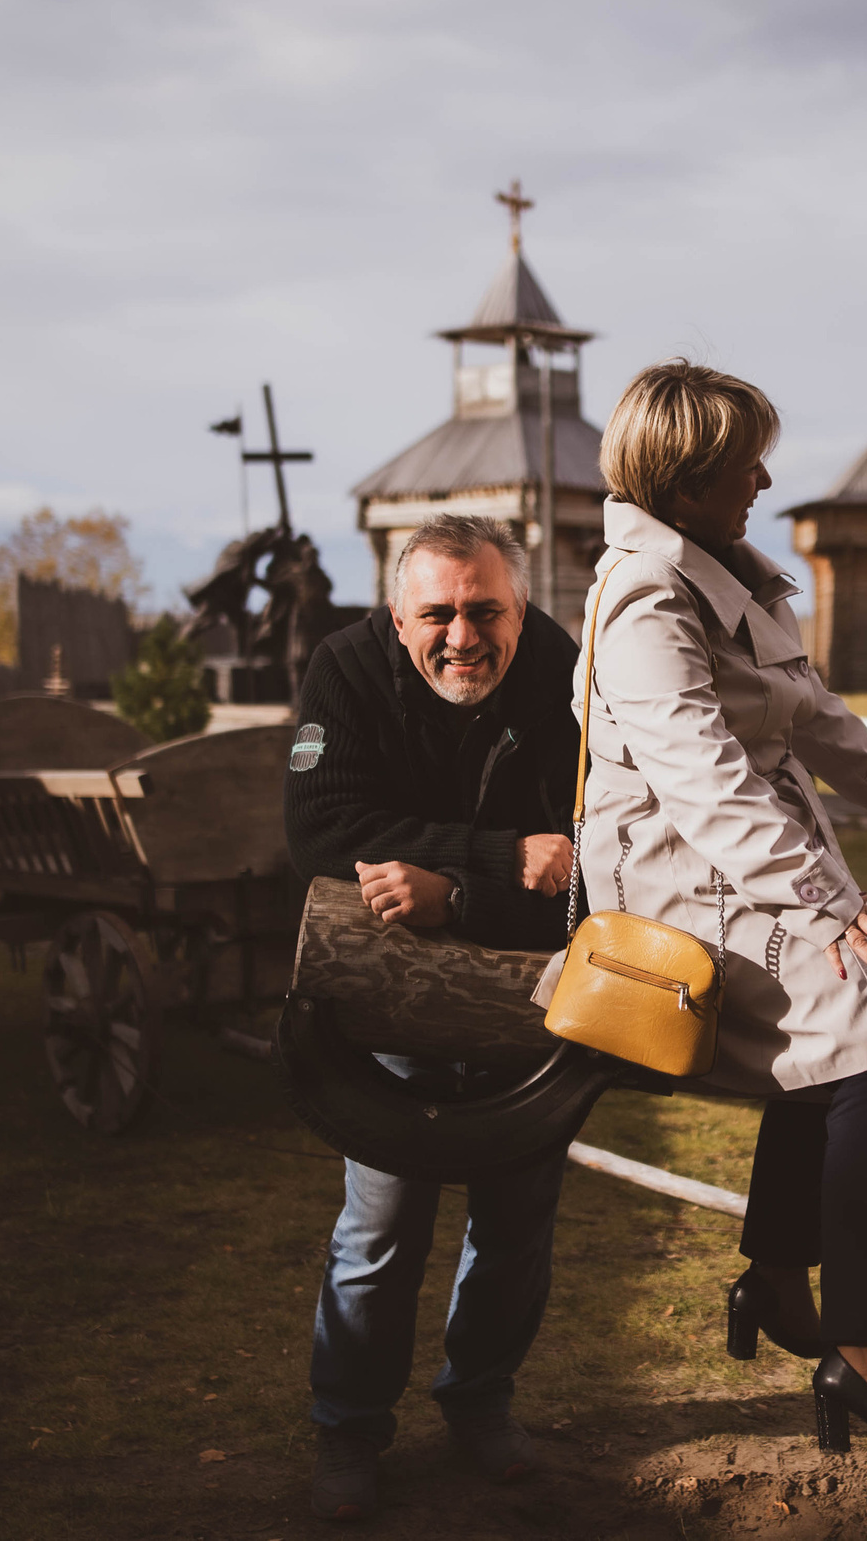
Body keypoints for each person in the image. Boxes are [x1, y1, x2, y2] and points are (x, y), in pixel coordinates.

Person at [546, 359, 867, 1458]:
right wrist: (832, 905)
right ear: (685, 480)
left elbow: (807, 707)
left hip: (739, 870)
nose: (765, 478)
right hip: (675, 883)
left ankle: (782, 1277)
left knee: (851, 1030)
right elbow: (704, 782)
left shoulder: (729, 575)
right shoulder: (648, 597)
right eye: (745, 461)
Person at [284, 512, 581, 1522]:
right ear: (396, 612)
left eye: (485, 611)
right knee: (381, 1227)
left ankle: (480, 1399)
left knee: (516, 1224)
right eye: (438, 614)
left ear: (521, 607)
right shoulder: (343, 669)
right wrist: (497, 856)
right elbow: (322, 831)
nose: (463, 635)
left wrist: (451, 893)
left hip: (529, 996)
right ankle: (349, 1426)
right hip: (388, 997)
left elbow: (590, 865)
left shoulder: (563, 672)